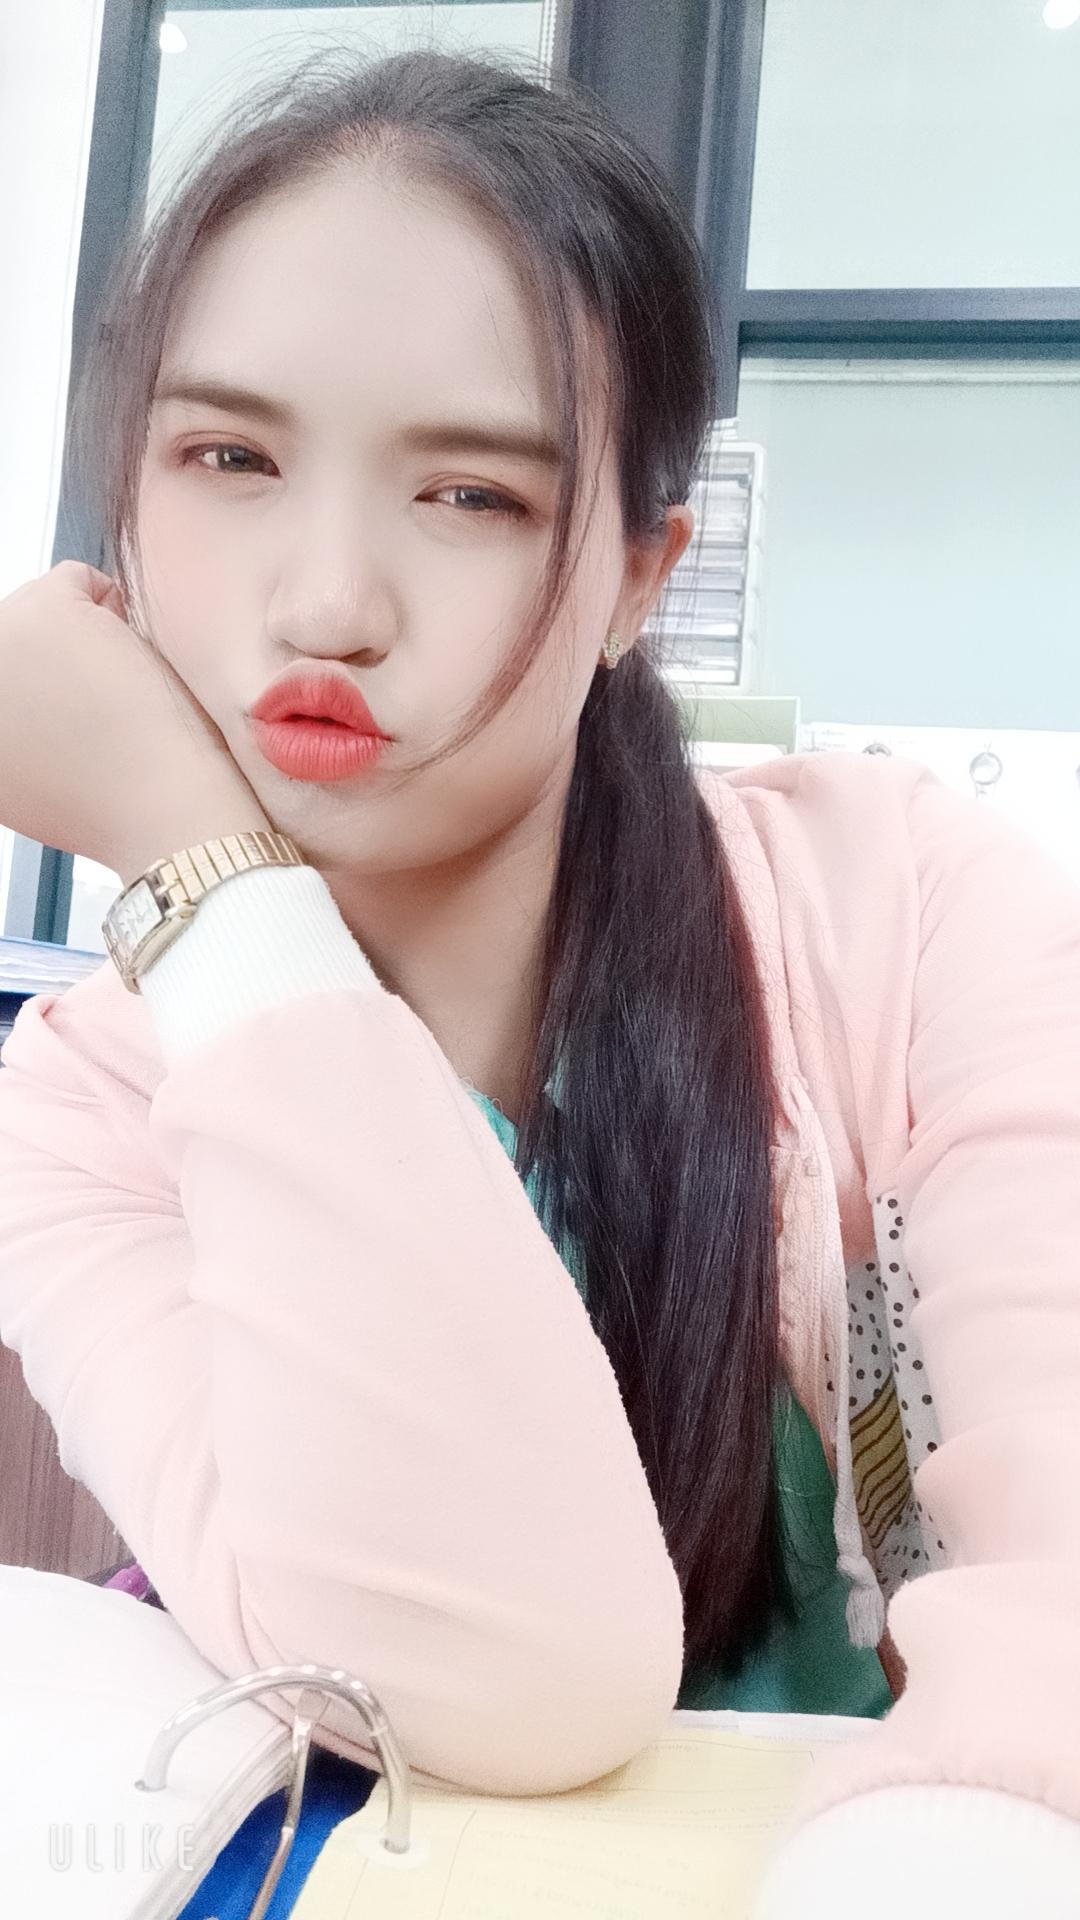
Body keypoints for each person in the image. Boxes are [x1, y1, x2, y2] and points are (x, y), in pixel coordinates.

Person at [0, 46, 1077, 1919]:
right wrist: (216, 895)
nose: (326, 601)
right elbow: (501, 1682)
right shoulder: (94, 1100)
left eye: (471, 495)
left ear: (640, 577)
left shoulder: (904, 911)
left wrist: (972, 1835)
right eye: (228, 460)